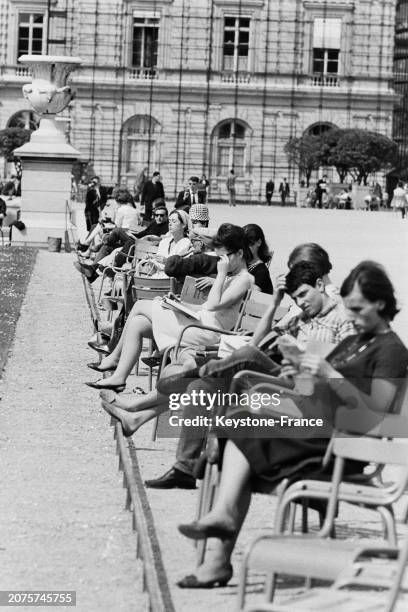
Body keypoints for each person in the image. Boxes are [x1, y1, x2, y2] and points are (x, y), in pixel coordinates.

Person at [176, 261, 408, 588]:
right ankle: (221, 535)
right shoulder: (359, 340)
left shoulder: (392, 350)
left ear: (380, 304)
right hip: (313, 427)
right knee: (239, 416)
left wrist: (329, 374)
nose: (351, 316)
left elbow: (376, 416)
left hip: (339, 446)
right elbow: (323, 390)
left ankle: (219, 548)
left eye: (357, 308)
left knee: (242, 423)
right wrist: (301, 373)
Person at [101, 259, 354, 491]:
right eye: (296, 299)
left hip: (304, 391)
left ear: (320, 284)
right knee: (200, 388)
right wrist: (276, 303)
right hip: (280, 379)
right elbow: (259, 340)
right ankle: (184, 468)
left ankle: (174, 383)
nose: (301, 304)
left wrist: (308, 361)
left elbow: (343, 373)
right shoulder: (304, 316)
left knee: (247, 357)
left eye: (303, 296)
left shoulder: (342, 321)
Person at [95, 223, 253, 394]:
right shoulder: (233, 276)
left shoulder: (245, 279)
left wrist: (221, 274)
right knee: (138, 322)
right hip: (199, 323)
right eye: (219, 257)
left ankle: (115, 357)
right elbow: (209, 306)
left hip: (208, 333)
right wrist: (178, 304)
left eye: (225, 257)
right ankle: (119, 377)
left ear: (240, 253)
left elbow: (215, 305)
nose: (221, 262)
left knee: (141, 305)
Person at [243, 224, 273, 294]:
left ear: (259, 242)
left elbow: (251, 297)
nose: (244, 248)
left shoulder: (261, 272)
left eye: (249, 244)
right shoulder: (243, 263)